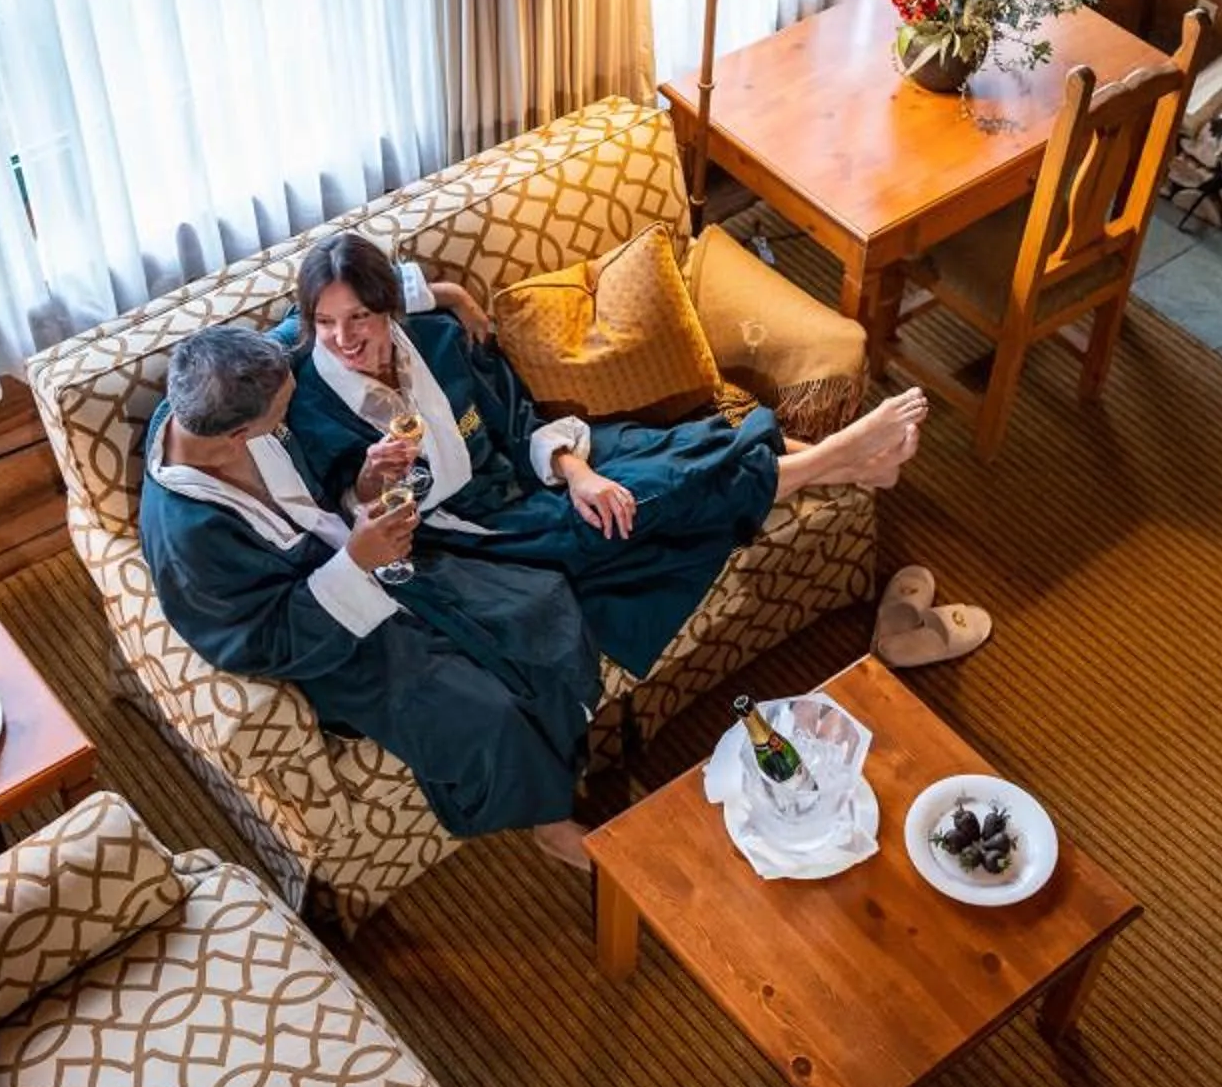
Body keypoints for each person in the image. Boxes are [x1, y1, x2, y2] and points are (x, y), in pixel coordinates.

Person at [277, 233, 926, 678]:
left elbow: (515, 420)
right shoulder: (306, 396)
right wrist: (371, 478)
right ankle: (844, 459)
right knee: (646, 502)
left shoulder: (440, 344)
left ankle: (852, 464)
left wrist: (578, 471)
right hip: (481, 532)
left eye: (359, 317)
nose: (343, 338)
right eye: (326, 322)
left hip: (537, 466)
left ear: (390, 307)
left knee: (670, 447)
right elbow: (353, 508)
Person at [139, 325, 601, 871]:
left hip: (379, 559)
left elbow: (312, 312)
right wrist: (354, 563)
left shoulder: (218, 388)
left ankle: (568, 758)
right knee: (485, 713)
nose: (292, 411)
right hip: (328, 641)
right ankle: (548, 822)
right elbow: (254, 640)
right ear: (240, 435)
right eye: (283, 410)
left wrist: (442, 294)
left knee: (537, 606)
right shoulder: (187, 536)